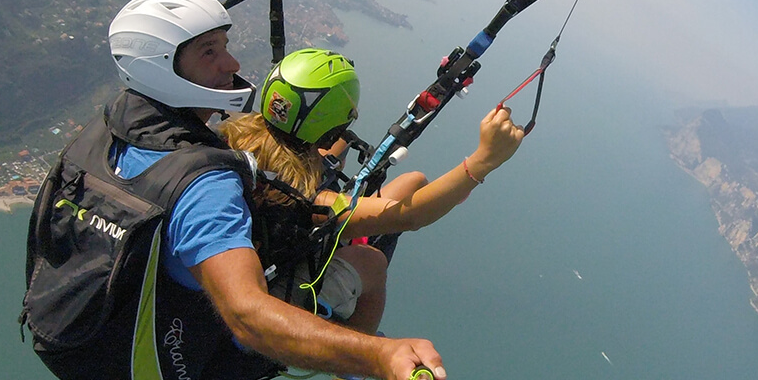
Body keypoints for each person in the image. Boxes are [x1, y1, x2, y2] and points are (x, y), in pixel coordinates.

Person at [21, 0, 520, 380]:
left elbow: (294, 155)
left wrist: (325, 150)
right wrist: (482, 161)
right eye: (210, 52)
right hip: (206, 345)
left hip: (76, 327)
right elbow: (250, 316)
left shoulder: (113, 129)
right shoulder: (210, 185)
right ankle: (346, 375)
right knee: (369, 257)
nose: (233, 65)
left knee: (403, 179)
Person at [217, 49, 526, 359]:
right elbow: (410, 216)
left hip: (274, 245)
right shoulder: (307, 197)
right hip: (276, 293)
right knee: (372, 262)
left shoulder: (246, 137)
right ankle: (354, 359)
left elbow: (316, 156)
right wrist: (482, 162)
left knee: (413, 181)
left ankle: (448, 195)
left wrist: (335, 141)